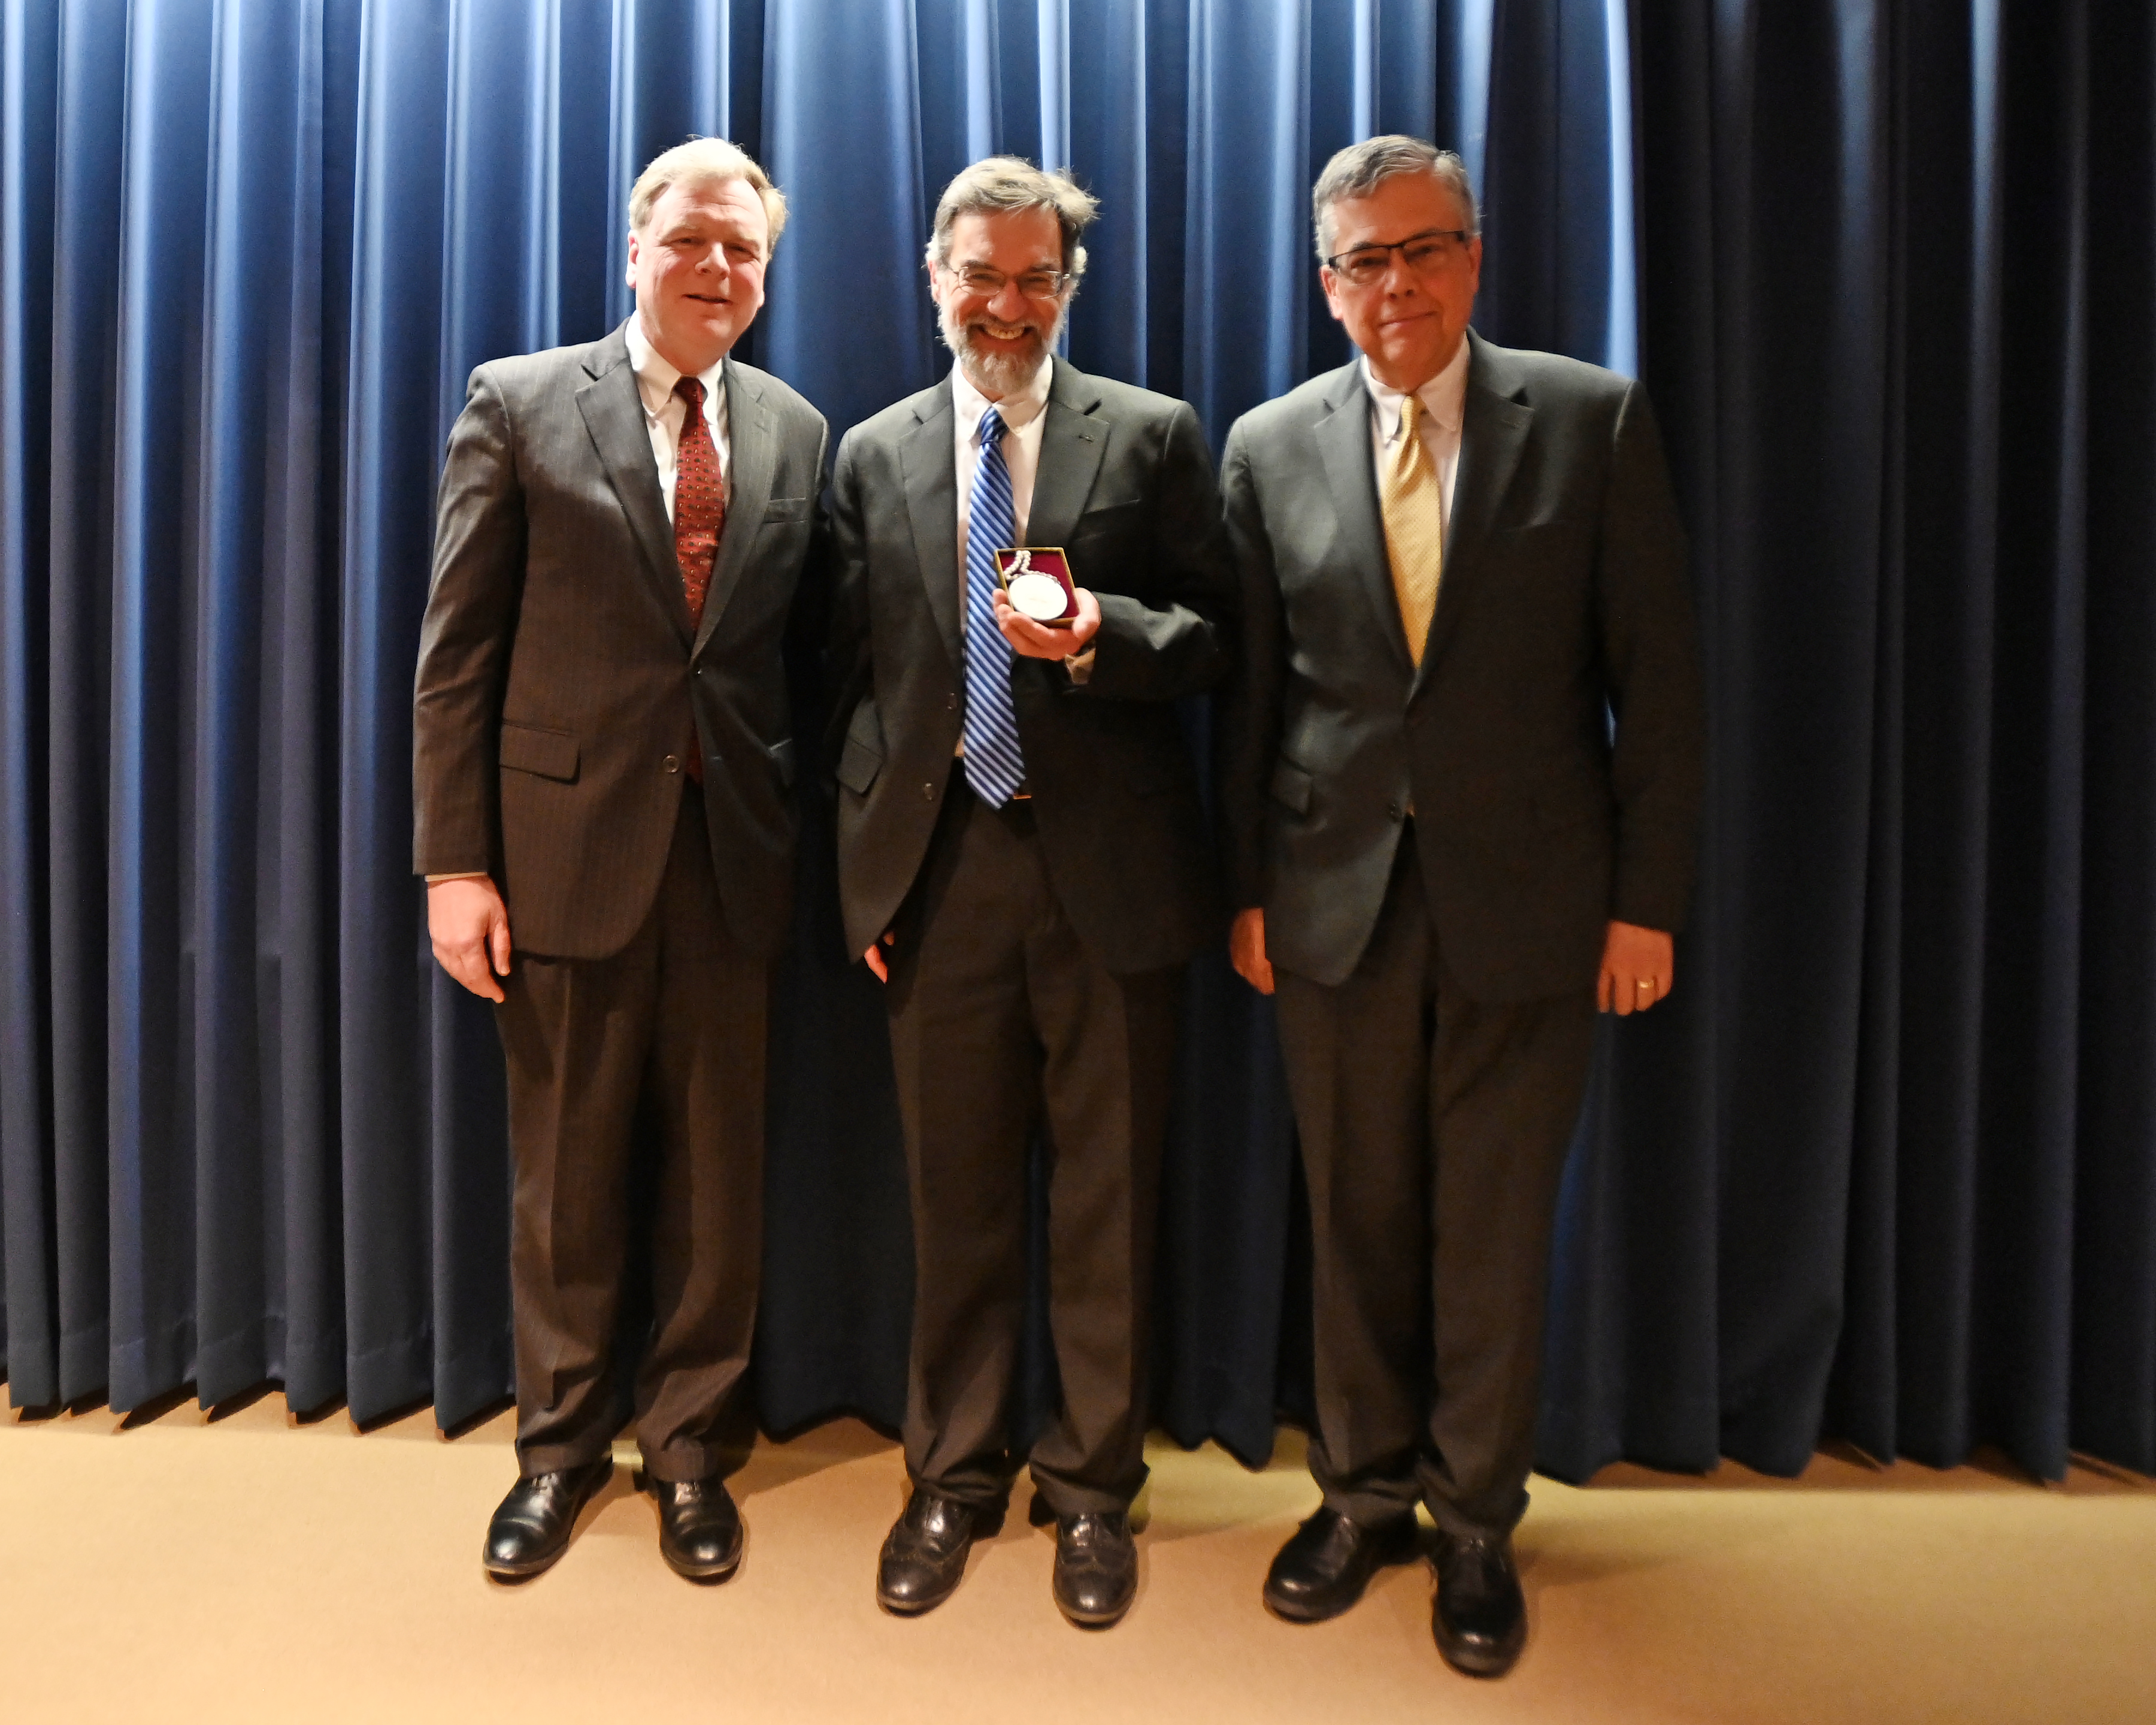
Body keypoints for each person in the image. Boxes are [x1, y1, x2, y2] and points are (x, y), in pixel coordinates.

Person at [1216, 136, 1705, 1677]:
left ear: (1473, 258)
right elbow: (1251, 702)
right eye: (1365, 259)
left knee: (1490, 1230)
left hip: (1536, 905)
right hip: (1330, 902)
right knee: (1356, 1218)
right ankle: (1360, 1498)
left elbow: (1660, 688)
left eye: (1425, 248)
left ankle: (1476, 1521)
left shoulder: (1589, 419)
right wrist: (1246, 891)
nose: (1398, 284)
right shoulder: (1266, 447)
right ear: (1328, 286)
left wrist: (1646, 903)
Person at [826, 157, 1234, 1629]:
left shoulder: (1153, 433)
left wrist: (1102, 636)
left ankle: (1092, 1490)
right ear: (935, 279)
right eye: (983, 277)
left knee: (1108, 1204)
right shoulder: (871, 454)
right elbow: (849, 686)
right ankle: (952, 1476)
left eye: (1036, 279)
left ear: (1069, 288)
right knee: (957, 1200)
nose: (1008, 305)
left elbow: (1221, 637)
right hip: (943, 876)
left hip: (1110, 879)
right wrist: (868, 884)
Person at [413, 138, 828, 1582]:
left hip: (735, 863)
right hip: (564, 859)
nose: (718, 268)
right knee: (567, 1182)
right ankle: (559, 1452)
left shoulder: (796, 430)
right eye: (693, 240)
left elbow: (804, 661)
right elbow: (457, 656)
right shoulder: (520, 401)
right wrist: (454, 865)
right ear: (637, 247)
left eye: (744, 250)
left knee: (719, 1187)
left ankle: (694, 1452)